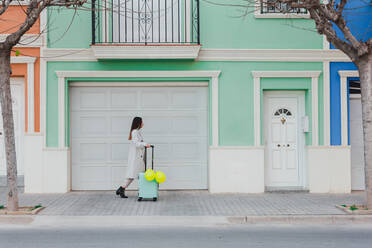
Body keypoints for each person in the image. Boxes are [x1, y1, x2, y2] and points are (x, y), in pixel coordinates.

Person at [116, 117, 151, 198]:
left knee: (137, 175)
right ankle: (140, 191)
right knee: (137, 175)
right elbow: (136, 143)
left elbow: (139, 143)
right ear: (138, 123)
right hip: (136, 159)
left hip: (138, 158)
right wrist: (145, 144)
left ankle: (122, 189)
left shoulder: (137, 132)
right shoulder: (134, 132)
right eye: (142, 122)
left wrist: (145, 144)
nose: (143, 123)